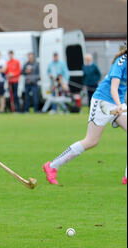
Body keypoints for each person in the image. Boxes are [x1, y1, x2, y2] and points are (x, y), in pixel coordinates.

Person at [43, 46, 127, 185]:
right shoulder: (121, 62)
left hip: (118, 103)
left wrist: (120, 104)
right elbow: (113, 88)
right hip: (103, 102)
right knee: (91, 141)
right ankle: (52, 166)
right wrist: (118, 104)